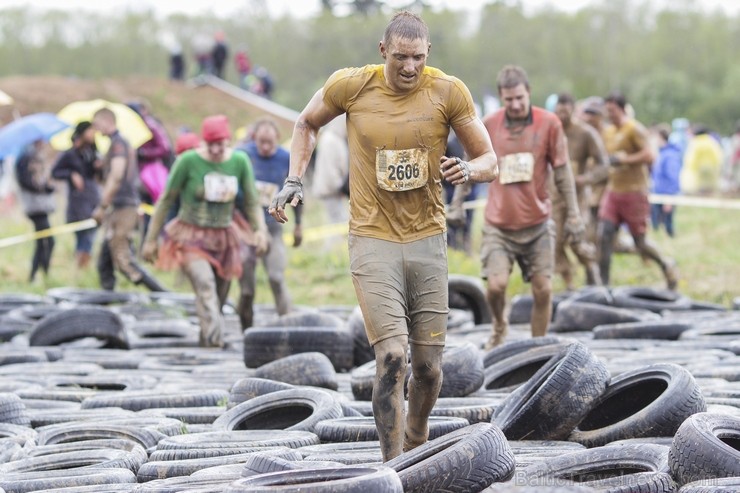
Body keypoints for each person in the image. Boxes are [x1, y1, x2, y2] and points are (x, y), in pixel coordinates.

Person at [268, 11, 498, 462]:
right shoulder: (351, 86)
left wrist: (468, 170)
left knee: (429, 369)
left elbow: (490, 158)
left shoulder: (448, 91)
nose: (408, 68)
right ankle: (392, 465)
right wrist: (295, 179)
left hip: (427, 238)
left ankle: (416, 434)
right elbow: (305, 123)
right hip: (372, 238)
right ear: (382, 52)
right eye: (399, 58)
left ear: (428, 53)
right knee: (392, 357)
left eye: (416, 58)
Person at [470, 66, 584, 349]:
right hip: (499, 225)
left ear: (529, 93)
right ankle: (499, 324)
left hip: (537, 223)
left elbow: (562, 171)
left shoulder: (549, 124)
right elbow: (469, 165)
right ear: (501, 98)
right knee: (495, 287)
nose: (516, 104)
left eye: (520, 98)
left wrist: (574, 214)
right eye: (509, 100)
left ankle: (537, 348)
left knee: (543, 289)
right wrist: (458, 204)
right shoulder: (489, 124)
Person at [142, 115, 269, 348]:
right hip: (191, 235)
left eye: (222, 145)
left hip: (223, 236)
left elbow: (251, 201)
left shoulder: (240, 161)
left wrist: (259, 230)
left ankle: (206, 338)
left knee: (218, 296)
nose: (218, 151)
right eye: (212, 145)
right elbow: (166, 199)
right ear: (204, 143)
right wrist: (151, 239)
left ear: (229, 142)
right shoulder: (188, 161)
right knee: (205, 284)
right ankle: (214, 343)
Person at [597, 92, 678, 290]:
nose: (610, 114)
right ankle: (602, 285)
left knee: (640, 242)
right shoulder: (607, 132)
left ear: (622, 109)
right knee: (603, 235)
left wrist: (625, 159)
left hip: (634, 192)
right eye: (607, 111)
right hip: (613, 191)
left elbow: (650, 155)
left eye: (613, 110)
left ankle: (666, 264)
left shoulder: (634, 129)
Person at [235, 118, 301, 329]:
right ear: (254, 139)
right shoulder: (243, 155)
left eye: (269, 143)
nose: (265, 148)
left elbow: (296, 194)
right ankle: (246, 328)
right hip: (246, 229)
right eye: (261, 142)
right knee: (247, 289)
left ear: (277, 140)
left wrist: (299, 225)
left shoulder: (285, 158)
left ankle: (288, 325)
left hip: (273, 228)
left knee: (276, 277)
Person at [91, 107, 166, 292]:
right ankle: (105, 300)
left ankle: (162, 294)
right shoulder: (116, 144)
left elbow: (117, 176)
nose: (95, 129)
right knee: (105, 260)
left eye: (97, 124)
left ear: (107, 121)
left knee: (124, 260)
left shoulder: (118, 143)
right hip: (119, 206)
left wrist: (102, 205)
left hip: (123, 206)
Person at [551, 92, 607, 290]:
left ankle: (592, 270)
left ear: (573, 110)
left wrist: (586, 179)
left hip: (578, 196)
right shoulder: (551, 130)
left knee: (577, 239)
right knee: (554, 242)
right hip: (554, 196)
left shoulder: (585, 133)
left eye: (566, 111)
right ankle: (569, 283)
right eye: (559, 111)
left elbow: (603, 165)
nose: (562, 115)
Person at [51, 121, 101, 269]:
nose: (93, 134)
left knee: (91, 237)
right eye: (90, 131)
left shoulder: (93, 153)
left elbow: (98, 175)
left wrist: (99, 167)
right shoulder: (69, 154)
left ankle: (83, 269)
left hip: (93, 199)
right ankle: (79, 269)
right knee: (83, 237)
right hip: (78, 203)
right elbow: (55, 172)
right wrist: (71, 174)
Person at [15, 139, 56, 282]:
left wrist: (48, 186)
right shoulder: (25, 159)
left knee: (43, 242)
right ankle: (39, 274)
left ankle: (38, 275)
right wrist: (41, 186)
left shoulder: (38, 158)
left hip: (43, 206)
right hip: (34, 207)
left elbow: (47, 184)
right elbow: (25, 182)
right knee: (48, 241)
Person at [312, 113, 349, 240]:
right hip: (331, 190)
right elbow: (329, 170)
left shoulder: (336, 140)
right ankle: (333, 254)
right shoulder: (330, 140)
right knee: (337, 226)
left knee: (336, 224)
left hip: (334, 190)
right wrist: (339, 187)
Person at [650, 123, 682, 237]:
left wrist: (669, 198)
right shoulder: (662, 153)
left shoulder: (670, 155)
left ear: (661, 136)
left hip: (666, 194)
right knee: (656, 225)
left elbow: (672, 177)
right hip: (658, 193)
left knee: (668, 226)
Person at [680, 124, 724, 196]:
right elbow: (719, 156)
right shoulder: (712, 142)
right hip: (712, 172)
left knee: (699, 194)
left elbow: (690, 159)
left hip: (698, 174)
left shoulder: (695, 143)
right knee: (710, 192)